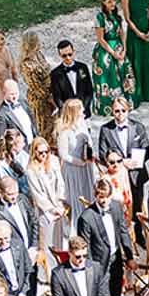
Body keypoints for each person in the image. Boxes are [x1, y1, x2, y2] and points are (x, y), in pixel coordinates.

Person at [55, 98, 95, 236]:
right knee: (76, 197)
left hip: (86, 167)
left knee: (88, 193)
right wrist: (79, 162)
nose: (84, 113)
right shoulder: (64, 132)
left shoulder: (83, 125)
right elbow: (63, 154)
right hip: (73, 169)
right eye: (81, 111)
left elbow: (89, 143)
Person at [25, 135, 67, 262]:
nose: (44, 155)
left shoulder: (53, 161)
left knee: (60, 240)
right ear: (34, 152)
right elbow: (37, 194)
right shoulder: (31, 170)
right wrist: (51, 209)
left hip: (58, 206)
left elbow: (60, 182)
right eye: (40, 152)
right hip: (45, 211)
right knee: (47, 242)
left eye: (46, 151)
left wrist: (60, 202)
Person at [18, 31, 57, 144]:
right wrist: (50, 99)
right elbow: (36, 87)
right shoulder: (27, 65)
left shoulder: (38, 54)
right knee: (43, 127)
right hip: (40, 101)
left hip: (49, 93)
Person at [50, 37, 94, 120]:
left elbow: (89, 90)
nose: (68, 58)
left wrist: (83, 108)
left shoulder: (83, 67)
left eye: (70, 54)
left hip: (84, 113)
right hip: (67, 116)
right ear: (60, 55)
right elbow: (57, 97)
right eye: (64, 55)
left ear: (73, 51)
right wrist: (67, 112)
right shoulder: (55, 74)